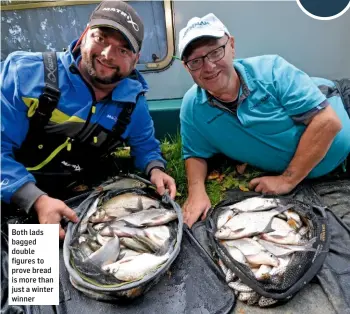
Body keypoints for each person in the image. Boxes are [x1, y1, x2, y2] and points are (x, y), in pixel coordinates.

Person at [1, 0, 176, 238]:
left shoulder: (133, 104)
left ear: (135, 60)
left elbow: (145, 147)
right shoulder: (24, 75)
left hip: (75, 195)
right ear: (84, 34)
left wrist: (155, 168)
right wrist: (36, 200)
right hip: (12, 190)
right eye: (101, 38)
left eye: (123, 49)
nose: (107, 54)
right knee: (34, 272)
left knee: (96, 265)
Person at [178, 13, 350, 227]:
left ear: (231, 45)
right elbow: (194, 153)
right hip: (314, 173)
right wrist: (196, 193)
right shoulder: (192, 108)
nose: (209, 66)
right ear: (187, 67)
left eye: (215, 52)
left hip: (343, 105)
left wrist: (286, 181)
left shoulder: (272, 71)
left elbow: (327, 122)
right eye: (196, 61)